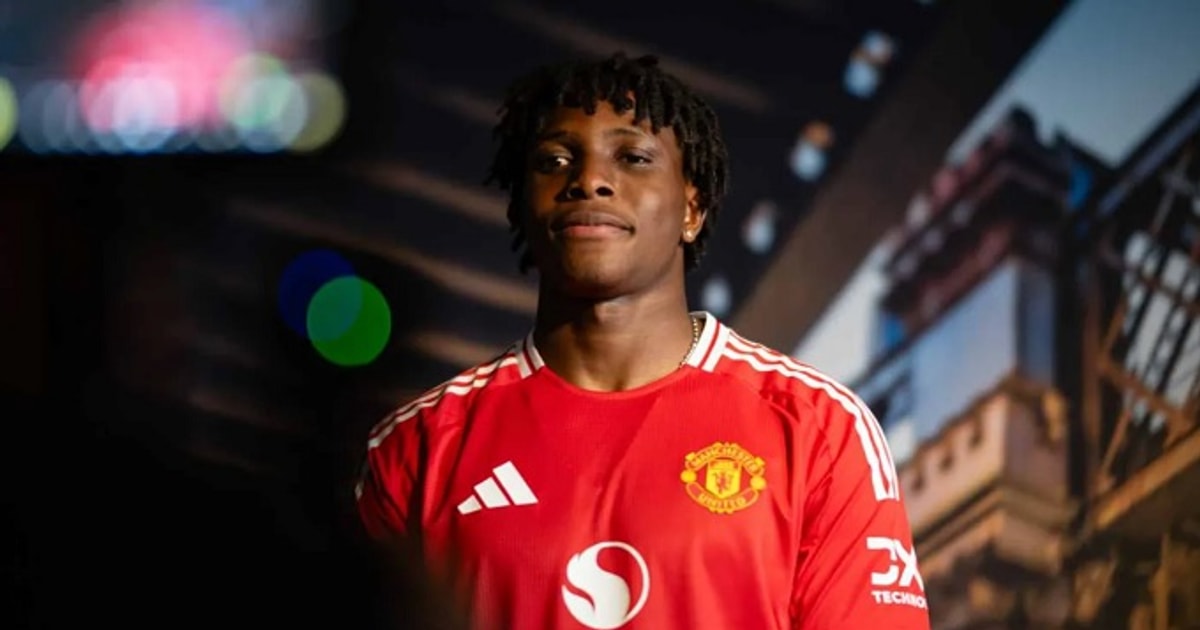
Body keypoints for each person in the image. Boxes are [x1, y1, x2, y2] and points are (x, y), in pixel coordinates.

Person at [356, 52, 930, 629]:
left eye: (632, 157)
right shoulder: (417, 448)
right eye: (555, 161)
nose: (589, 181)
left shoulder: (817, 427)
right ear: (522, 204)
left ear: (692, 209)